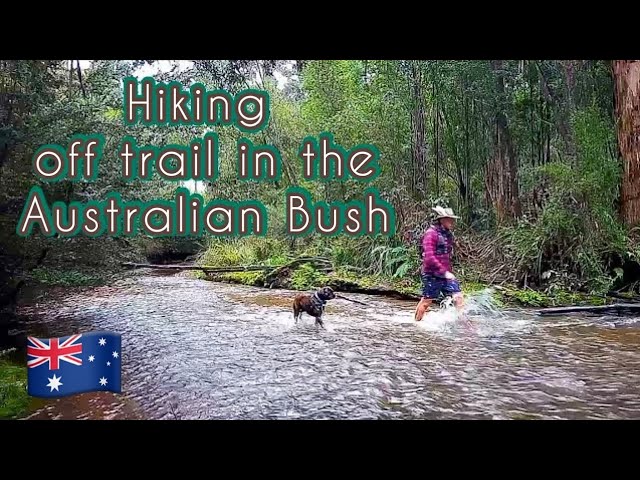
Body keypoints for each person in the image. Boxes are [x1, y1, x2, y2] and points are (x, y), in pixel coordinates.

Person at [414, 206, 465, 322]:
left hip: (446, 275)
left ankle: (464, 327)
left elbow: (446, 256)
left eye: (453, 220)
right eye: (449, 219)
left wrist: (448, 272)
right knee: (426, 302)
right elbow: (429, 257)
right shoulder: (431, 234)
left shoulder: (448, 235)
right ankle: (416, 325)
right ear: (442, 220)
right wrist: (444, 272)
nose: (452, 222)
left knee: (459, 298)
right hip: (431, 274)